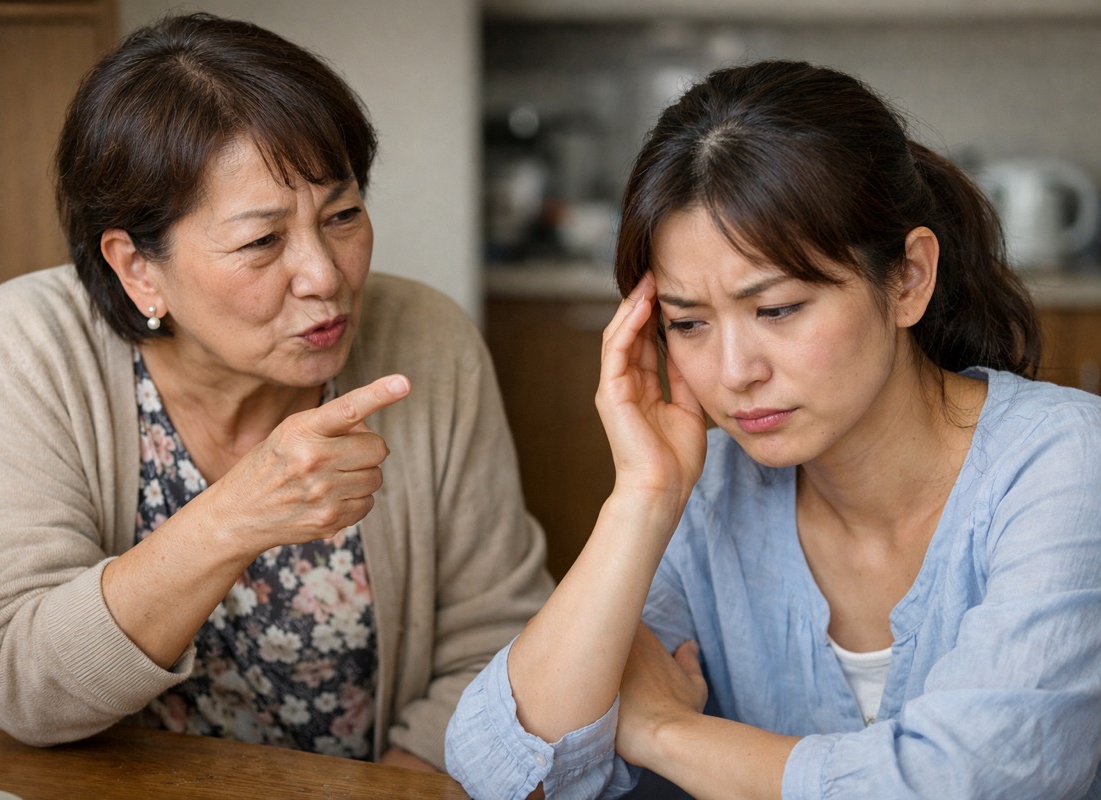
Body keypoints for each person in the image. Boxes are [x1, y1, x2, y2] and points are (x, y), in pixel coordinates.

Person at [446, 59, 1101, 798]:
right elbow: (501, 770)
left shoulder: (1067, 462)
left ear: (909, 278)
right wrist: (644, 496)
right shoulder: (707, 491)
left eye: (778, 309)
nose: (733, 372)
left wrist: (665, 732)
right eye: (687, 323)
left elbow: (965, 783)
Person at [0, 12, 553, 772]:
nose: (325, 276)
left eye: (343, 214)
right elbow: (17, 685)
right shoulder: (34, 342)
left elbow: (500, 646)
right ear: (138, 268)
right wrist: (234, 519)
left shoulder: (427, 338)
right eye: (261, 242)